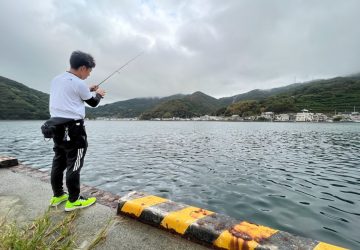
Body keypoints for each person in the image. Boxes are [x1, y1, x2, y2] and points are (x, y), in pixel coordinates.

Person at [48, 50, 105, 211]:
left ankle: (58, 195)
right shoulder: (79, 84)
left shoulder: (56, 80)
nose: (88, 74)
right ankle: (74, 200)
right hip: (74, 129)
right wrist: (98, 94)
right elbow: (93, 103)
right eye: (89, 71)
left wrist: (88, 88)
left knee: (59, 161)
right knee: (75, 163)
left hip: (56, 127)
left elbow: (70, 92)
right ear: (82, 68)